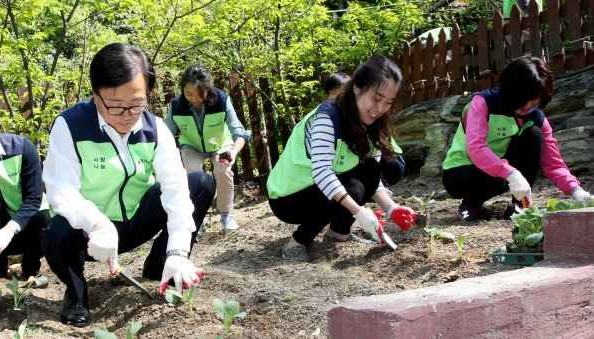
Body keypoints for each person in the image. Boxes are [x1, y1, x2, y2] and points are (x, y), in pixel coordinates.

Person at [42, 43, 216, 327]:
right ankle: (76, 295)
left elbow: (174, 191)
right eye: (116, 106)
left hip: (135, 221)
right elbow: (60, 188)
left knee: (199, 183)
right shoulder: (70, 125)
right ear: (95, 95)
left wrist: (179, 250)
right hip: (89, 233)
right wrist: (97, 223)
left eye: (137, 104)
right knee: (56, 231)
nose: (127, 115)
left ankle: (163, 263)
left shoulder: (155, 129)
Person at [267, 56, 418, 262]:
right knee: (351, 189)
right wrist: (360, 213)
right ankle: (297, 242)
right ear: (357, 87)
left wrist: (392, 208)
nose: (380, 108)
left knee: (371, 170)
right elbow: (322, 173)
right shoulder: (326, 117)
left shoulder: (370, 121)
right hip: (289, 197)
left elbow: (372, 178)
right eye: (376, 98)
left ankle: (339, 234)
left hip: (316, 190)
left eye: (388, 103)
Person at [442, 56, 593, 222]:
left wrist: (576, 190)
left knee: (534, 135)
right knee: (497, 180)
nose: (527, 108)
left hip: (501, 169)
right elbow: (476, 148)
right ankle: (470, 204)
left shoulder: (535, 117)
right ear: (511, 89)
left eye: (533, 103)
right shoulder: (483, 103)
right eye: (523, 101)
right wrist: (511, 172)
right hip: (461, 171)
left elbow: (554, 163)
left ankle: (519, 206)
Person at [166, 66, 251, 231]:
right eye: (189, 94)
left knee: (223, 170)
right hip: (191, 145)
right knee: (193, 174)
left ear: (208, 88)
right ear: (182, 89)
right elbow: (167, 134)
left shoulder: (222, 99)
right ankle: (197, 218)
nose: (194, 99)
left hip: (220, 144)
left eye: (200, 94)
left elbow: (239, 133)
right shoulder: (176, 104)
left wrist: (232, 152)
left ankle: (226, 215)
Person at [0, 105, 50, 281]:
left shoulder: (21, 148)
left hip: (28, 226)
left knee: (47, 216)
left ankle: (31, 268)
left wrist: (8, 231)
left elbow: (33, 199)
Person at [324, 72, 406, 190]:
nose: (338, 96)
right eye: (334, 93)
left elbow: (374, 149)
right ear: (327, 95)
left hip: (392, 160)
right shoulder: (330, 115)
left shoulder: (361, 112)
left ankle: (382, 185)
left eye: (342, 91)